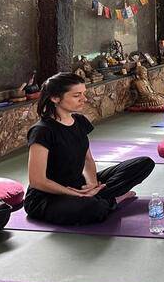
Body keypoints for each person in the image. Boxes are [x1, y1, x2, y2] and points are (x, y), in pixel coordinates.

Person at [23, 73, 154, 226]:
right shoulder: (42, 131)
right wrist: (74, 193)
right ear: (55, 98)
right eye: (77, 95)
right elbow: (37, 181)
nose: (84, 99)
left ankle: (101, 197)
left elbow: (87, 159)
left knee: (144, 163)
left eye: (84, 94)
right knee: (93, 208)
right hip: (48, 197)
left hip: (80, 184)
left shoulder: (79, 121)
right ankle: (113, 199)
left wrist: (93, 185)